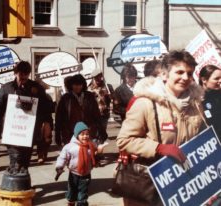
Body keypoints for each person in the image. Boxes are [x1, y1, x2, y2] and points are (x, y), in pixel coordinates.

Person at [116, 50, 206, 206]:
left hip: (185, 182)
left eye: (189, 73)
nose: (185, 77)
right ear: (164, 75)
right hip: (152, 183)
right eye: (179, 72)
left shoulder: (196, 105)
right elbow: (124, 140)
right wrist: (158, 148)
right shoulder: (145, 103)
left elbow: (203, 140)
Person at [0, 61, 53, 172]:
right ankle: (15, 179)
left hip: (30, 131)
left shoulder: (37, 88)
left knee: (25, 161)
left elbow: (46, 108)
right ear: (15, 73)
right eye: (20, 73)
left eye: (26, 74)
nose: (23, 76)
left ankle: (22, 180)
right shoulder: (6, 88)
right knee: (15, 159)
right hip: (11, 130)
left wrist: (48, 124)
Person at [55, 121, 107, 206]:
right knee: (72, 193)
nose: (85, 136)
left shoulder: (91, 146)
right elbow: (62, 157)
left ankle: (81, 203)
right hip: (73, 174)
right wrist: (59, 167)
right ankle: (71, 202)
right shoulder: (70, 147)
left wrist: (99, 152)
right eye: (82, 134)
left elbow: (95, 158)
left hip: (86, 174)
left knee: (83, 195)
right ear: (76, 135)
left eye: (87, 134)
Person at [55, 74, 106, 146]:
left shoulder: (89, 96)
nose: (77, 87)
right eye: (75, 85)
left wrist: (101, 130)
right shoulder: (66, 98)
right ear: (71, 85)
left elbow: (96, 114)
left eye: (79, 85)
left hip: (87, 130)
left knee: (87, 152)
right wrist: (57, 134)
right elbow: (59, 117)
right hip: (70, 131)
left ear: (83, 85)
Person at [199, 65, 221, 138]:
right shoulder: (197, 100)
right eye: (216, 78)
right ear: (204, 80)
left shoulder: (218, 93)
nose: (220, 80)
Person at [88, 69, 110, 140]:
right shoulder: (89, 88)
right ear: (93, 78)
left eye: (100, 76)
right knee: (93, 133)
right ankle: (95, 148)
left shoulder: (107, 86)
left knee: (102, 133)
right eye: (96, 77)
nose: (98, 79)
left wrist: (108, 95)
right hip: (93, 114)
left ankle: (100, 146)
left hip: (104, 113)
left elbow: (111, 99)